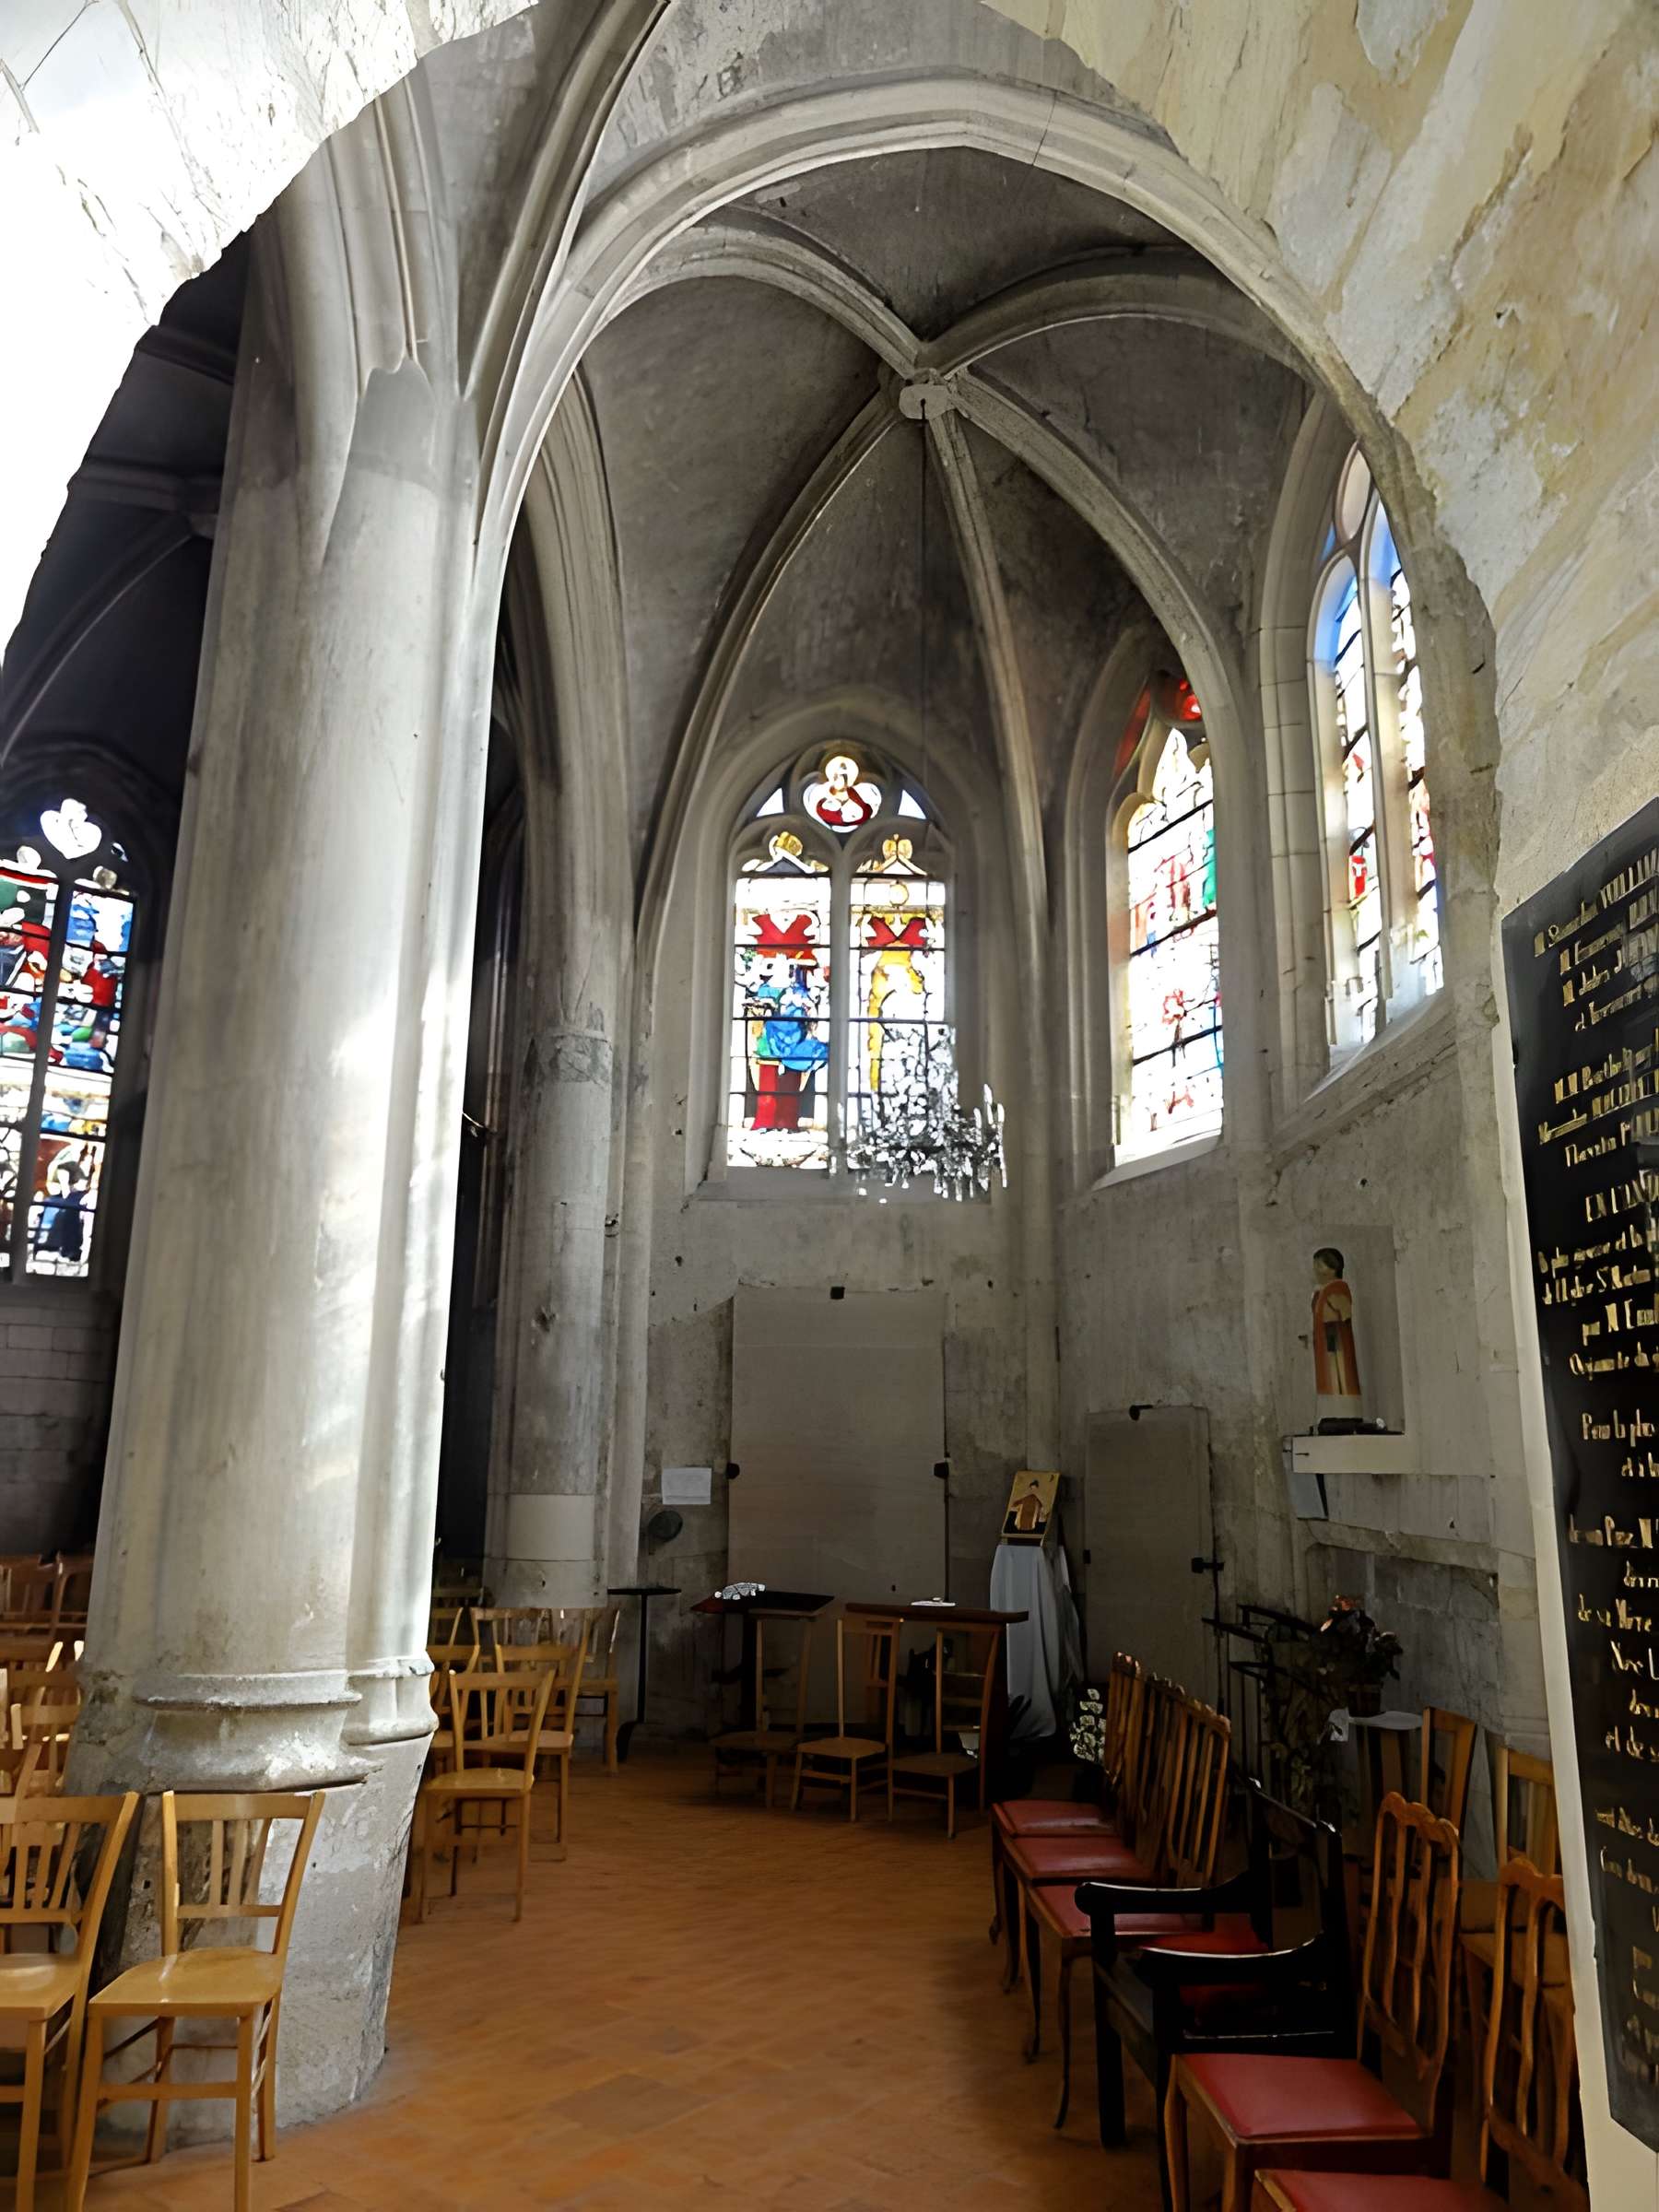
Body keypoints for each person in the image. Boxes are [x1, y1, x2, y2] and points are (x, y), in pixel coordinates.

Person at [1312, 1245, 1363, 1427]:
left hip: (1336, 1338)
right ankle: (1332, 1414)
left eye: (1320, 1265)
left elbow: (1344, 1312)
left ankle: (1344, 1415)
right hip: (1326, 1339)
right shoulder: (1322, 1290)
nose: (1316, 1270)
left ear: (1333, 1267)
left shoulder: (1338, 1288)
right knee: (1328, 1377)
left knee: (1339, 1376)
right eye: (1315, 1265)